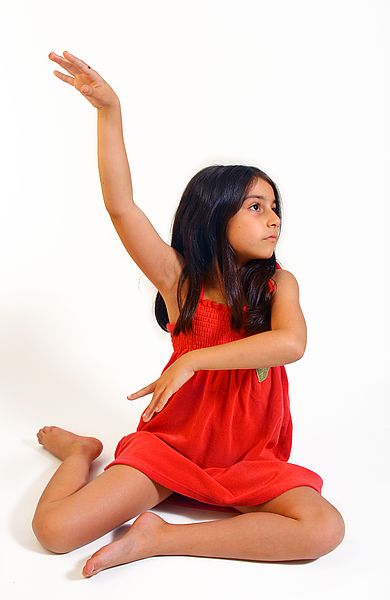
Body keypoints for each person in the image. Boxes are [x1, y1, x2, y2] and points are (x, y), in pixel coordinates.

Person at [32, 50, 345, 578]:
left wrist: (193, 362)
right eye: (255, 206)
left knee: (323, 529)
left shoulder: (278, 285)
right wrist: (110, 113)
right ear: (213, 215)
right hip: (171, 447)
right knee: (55, 532)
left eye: (275, 208)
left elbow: (290, 344)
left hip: (247, 459)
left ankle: (162, 537)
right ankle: (79, 453)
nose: (273, 220)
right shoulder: (181, 283)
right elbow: (122, 206)